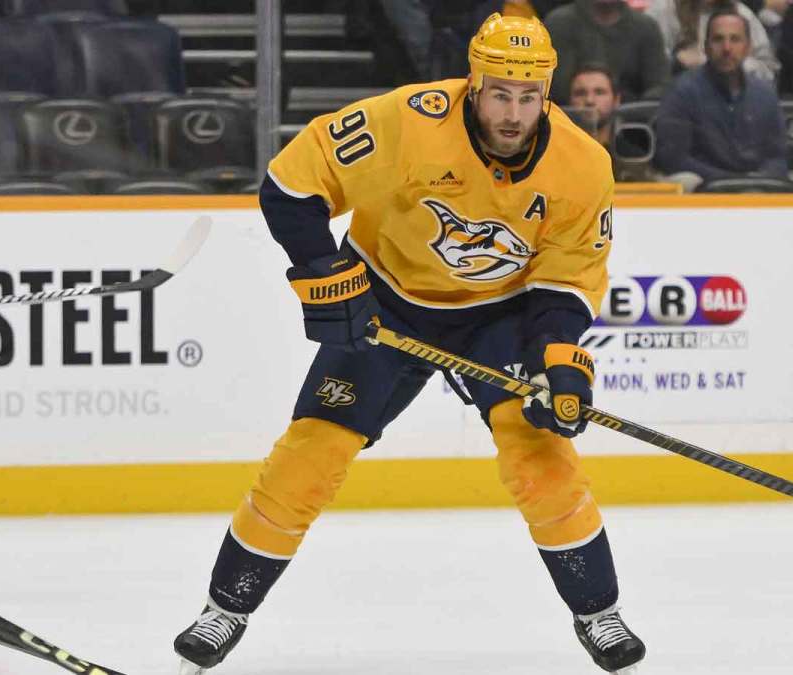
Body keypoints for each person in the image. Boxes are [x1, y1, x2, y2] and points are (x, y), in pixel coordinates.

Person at [172, 13, 646, 675]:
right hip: (388, 302)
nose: (513, 114)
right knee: (312, 452)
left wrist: (559, 360)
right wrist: (327, 274)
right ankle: (226, 605)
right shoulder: (408, 122)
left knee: (540, 456)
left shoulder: (583, 165)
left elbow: (565, 281)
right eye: (500, 94)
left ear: (547, 93)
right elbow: (291, 185)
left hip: (498, 315)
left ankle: (598, 611)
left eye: (528, 96)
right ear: (474, 84)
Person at [654, 11, 788, 184]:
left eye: (735, 39)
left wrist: (759, 180)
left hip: (757, 188)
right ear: (706, 47)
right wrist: (731, 183)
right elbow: (674, 159)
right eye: (718, 39)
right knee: (685, 181)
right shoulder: (682, 92)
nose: (727, 48)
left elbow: (778, 157)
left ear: (748, 48)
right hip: (704, 188)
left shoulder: (764, 93)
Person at [544, 0, 671, 103]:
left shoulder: (646, 27)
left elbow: (659, 86)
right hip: (567, 118)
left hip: (632, 120)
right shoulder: (558, 24)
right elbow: (551, 88)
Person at [646, 0, 782, 83]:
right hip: (681, 98)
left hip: (734, 101)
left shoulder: (741, 13)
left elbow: (768, 70)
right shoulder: (664, 9)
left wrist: (730, 63)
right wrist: (676, 61)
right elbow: (649, 66)